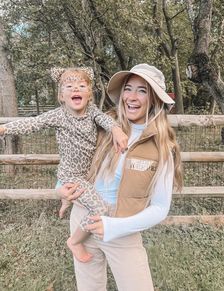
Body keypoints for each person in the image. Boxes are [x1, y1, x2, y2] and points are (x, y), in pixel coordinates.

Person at [59, 63, 183, 291]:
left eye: (142, 90)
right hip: (82, 217)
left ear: (155, 99)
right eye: (128, 88)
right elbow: (71, 156)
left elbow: (159, 207)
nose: (132, 97)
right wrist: (61, 187)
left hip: (122, 228)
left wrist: (114, 226)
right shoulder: (101, 126)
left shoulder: (163, 147)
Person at [0, 66, 128, 263]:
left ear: (89, 94)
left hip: (88, 174)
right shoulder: (58, 115)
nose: (75, 89)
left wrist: (117, 130)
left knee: (72, 197)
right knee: (101, 210)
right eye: (69, 86)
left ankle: (65, 202)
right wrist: (4, 128)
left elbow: (106, 120)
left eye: (81, 85)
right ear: (61, 95)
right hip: (71, 177)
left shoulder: (93, 111)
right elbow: (32, 124)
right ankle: (75, 241)